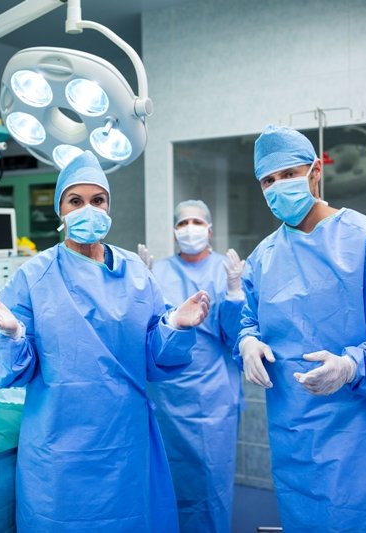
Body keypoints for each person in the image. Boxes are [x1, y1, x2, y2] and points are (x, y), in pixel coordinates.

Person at [0, 150, 211, 532]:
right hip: (59, 446)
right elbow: (6, 373)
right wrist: (13, 334)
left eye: (97, 200)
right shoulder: (35, 275)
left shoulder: (136, 274)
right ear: (61, 210)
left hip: (125, 443)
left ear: (108, 207)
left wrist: (176, 326)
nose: (88, 209)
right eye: (76, 201)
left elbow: (155, 360)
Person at [236, 124, 366, 532]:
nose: (278, 187)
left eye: (288, 174)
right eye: (268, 180)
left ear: (315, 172)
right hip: (295, 435)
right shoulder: (262, 258)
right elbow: (250, 318)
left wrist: (353, 366)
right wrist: (247, 341)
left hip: (362, 435)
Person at [142, 200, 245, 532]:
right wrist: (138, 288)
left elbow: (235, 338)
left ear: (210, 230)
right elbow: (146, 332)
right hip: (168, 396)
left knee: (210, 479)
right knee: (168, 477)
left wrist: (233, 295)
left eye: (196, 222)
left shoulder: (224, 271)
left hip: (214, 395)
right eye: (182, 222)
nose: (189, 228)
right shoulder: (160, 272)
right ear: (174, 231)